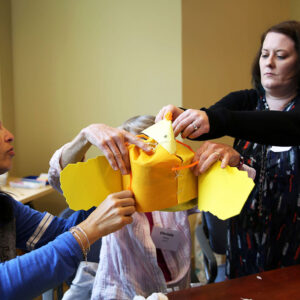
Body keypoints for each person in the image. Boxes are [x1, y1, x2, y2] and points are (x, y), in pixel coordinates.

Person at [156, 20, 300, 278]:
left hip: (293, 242)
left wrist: (216, 119)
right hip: (244, 241)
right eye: (264, 55)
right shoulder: (245, 100)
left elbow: (283, 126)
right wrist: (183, 116)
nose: (269, 62)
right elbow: (210, 119)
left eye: (281, 56)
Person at [48, 115, 198, 299]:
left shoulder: (177, 189)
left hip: (177, 291)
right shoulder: (110, 190)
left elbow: (213, 194)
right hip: (121, 292)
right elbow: (58, 178)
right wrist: (84, 137)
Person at [0, 121, 137, 300]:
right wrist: (86, 231)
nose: (9, 135)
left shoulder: (6, 206)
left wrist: (117, 190)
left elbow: (60, 233)